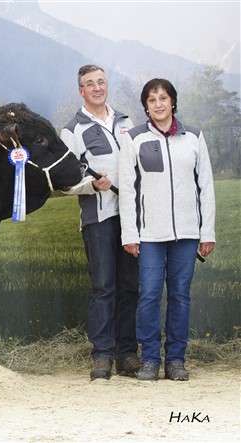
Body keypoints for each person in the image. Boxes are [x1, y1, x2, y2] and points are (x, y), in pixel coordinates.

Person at [118, 78, 215, 381]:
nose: (158, 104)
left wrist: (207, 232)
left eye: (163, 98)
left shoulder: (194, 137)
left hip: (187, 234)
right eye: (151, 99)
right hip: (149, 235)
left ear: (173, 101)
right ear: (146, 106)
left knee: (180, 297)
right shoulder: (134, 138)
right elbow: (128, 191)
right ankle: (149, 360)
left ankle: (175, 360)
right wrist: (129, 234)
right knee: (148, 296)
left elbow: (206, 186)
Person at [60, 64, 141, 380]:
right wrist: (91, 185)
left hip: (131, 217)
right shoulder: (73, 130)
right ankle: (103, 355)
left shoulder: (126, 121)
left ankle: (127, 354)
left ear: (108, 86)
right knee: (104, 287)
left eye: (101, 82)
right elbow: (66, 182)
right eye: (90, 84)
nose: (97, 88)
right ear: (81, 90)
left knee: (129, 287)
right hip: (99, 219)